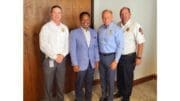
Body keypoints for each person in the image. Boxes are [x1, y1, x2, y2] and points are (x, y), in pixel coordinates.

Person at [114, 7, 146, 101]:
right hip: (118, 56)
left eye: (126, 13)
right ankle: (120, 91)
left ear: (130, 14)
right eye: (122, 14)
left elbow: (141, 42)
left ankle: (126, 96)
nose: (124, 15)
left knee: (127, 77)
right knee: (119, 75)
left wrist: (139, 57)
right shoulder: (117, 25)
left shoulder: (136, 25)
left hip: (129, 56)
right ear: (120, 15)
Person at [39, 5, 69, 101]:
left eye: (59, 13)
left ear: (61, 14)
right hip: (49, 60)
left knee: (61, 83)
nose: (57, 14)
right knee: (48, 85)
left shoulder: (64, 28)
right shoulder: (46, 28)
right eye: (55, 12)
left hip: (62, 60)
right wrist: (55, 56)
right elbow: (43, 45)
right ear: (51, 14)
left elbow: (67, 45)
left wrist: (62, 55)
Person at [69, 12, 99, 101]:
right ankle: (79, 98)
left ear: (89, 20)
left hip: (91, 63)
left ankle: (88, 98)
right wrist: (75, 63)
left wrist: (97, 59)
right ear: (80, 20)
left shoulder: (94, 32)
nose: (86, 21)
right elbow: (72, 50)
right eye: (83, 19)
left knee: (89, 83)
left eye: (87, 19)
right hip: (80, 63)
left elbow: (96, 47)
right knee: (79, 83)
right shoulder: (74, 33)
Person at [98, 9, 124, 101]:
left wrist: (116, 61)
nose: (106, 19)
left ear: (112, 17)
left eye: (108, 17)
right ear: (102, 18)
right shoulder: (100, 29)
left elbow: (120, 46)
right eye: (104, 17)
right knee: (102, 79)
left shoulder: (117, 29)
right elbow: (98, 44)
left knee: (110, 80)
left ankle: (110, 98)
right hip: (101, 57)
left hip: (111, 58)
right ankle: (103, 95)